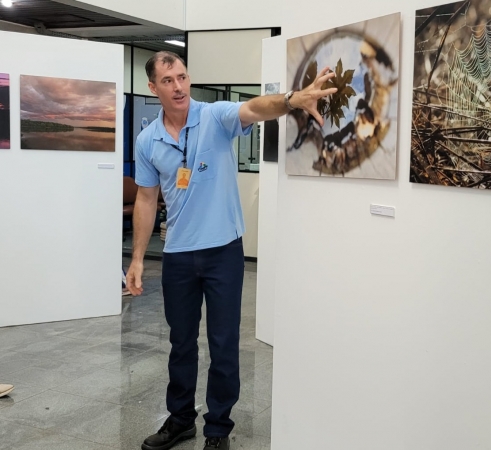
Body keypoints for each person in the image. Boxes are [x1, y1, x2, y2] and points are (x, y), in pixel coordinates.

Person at [126, 51, 336, 450]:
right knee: (181, 342)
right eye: (168, 80)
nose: (179, 86)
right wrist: (137, 258)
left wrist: (291, 100)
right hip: (177, 256)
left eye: (183, 77)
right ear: (153, 88)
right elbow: (146, 199)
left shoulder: (214, 116)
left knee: (223, 344)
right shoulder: (147, 140)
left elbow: (255, 108)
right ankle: (180, 419)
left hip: (223, 250)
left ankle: (218, 429)